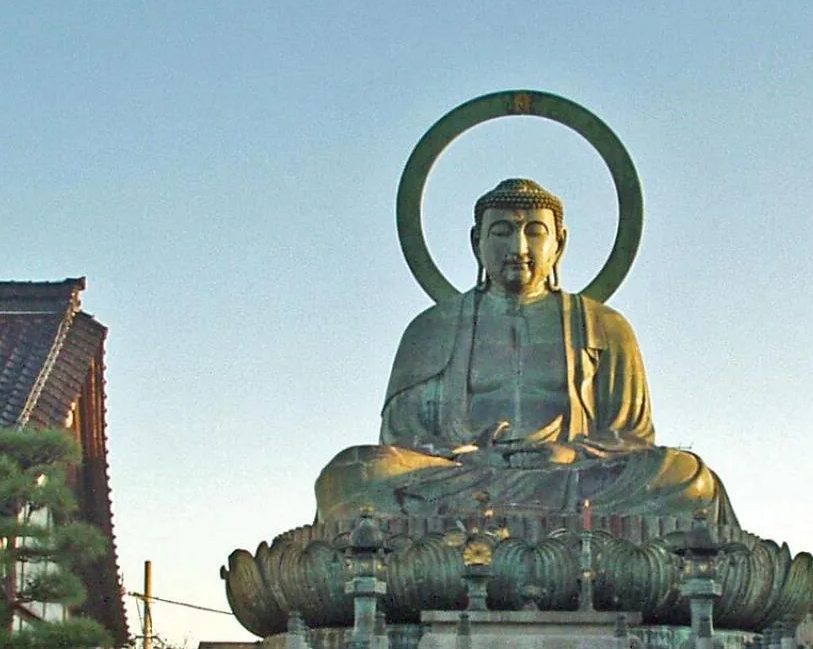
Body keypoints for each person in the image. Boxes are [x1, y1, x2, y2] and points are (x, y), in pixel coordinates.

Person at [315, 178, 734, 524]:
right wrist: (458, 454)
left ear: (560, 243)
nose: (518, 245)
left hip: (574, 479)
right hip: (460, 477)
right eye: (501, 231)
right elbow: (401, 438)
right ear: (476, 241)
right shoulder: (431, 328)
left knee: (688, 477)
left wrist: (572, 451)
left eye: (535, 231)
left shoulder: (606, 326)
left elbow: (633, 437)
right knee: (353, 475)